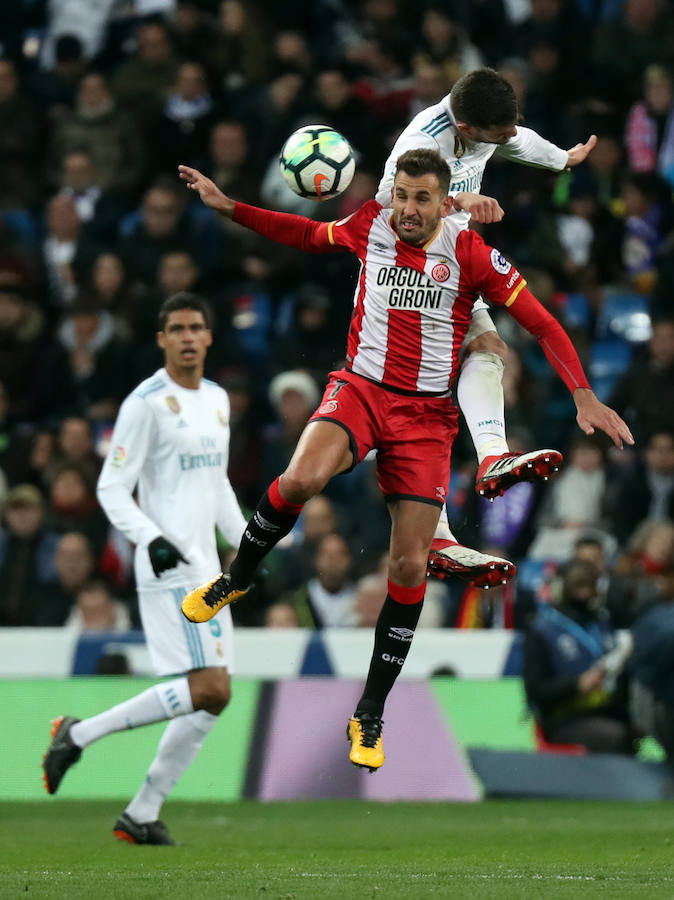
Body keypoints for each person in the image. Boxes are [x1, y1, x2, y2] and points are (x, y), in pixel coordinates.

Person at [177, 147, 633, 771]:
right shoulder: (370, 222)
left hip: (424, 419)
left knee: (409, 566)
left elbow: (542, 322)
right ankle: (237, 578)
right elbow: (307, 233)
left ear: (446, 203)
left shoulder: (471, 254)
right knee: (303, 476)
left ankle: (369, 712)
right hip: (360, 390)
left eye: (422, 199)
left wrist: (583, 394)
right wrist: (230, 207)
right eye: (402, 196)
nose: (409, 210)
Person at [376, 67, 600, 579]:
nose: (508, 138)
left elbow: (519, 141)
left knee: (491, 350)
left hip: (448, 260)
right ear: (469, 130)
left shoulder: (483, 127)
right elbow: (388, 207)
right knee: (421, 401)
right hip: (405, 271)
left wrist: (563, 159)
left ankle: (489, 463)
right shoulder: (420, 142)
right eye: (496, 135)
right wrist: (457, 201)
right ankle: (437, 535)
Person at [42, 292, 248, 845]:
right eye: (176, 328)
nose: (186, 336)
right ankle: (78, 735)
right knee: (210, 688)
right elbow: (111, 485)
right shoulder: (145, 403)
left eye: (195, 327)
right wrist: (150, 538)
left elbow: (219, 482)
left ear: (208, 337)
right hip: (169, 565)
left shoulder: (217, 399)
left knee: (216, 696)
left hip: (209, 565)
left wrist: (249, 545)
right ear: (162, 339)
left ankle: (141, 810)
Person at [523, 559, 634, 754]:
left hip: (608, 710)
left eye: (590, 586)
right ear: (559, 587)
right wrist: (577, 685)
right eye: (578, 586)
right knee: (615, 736)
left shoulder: (604, 623)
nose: (585, 593)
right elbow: (535, 691)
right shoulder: (542, 630)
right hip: (563, 718)